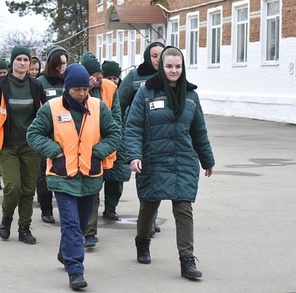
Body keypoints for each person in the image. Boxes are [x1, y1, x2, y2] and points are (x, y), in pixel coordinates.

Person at [26, 63, 121, 290]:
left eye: (85, 89)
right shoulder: (52, 108)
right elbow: (33, 133)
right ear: (67, 88)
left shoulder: (98, 107)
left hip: (89, 175)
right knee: (69, 223)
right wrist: (54, 152)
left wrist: (98, 153)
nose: (81, 93)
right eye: (76, 89)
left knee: (78, 224)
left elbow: (115, 133)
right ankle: (76, 270)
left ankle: (65, 252)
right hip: (62, 174)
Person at [124, 46, 215, 279]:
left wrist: (207, 160)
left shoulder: (191, 96)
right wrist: (134, 155)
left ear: (182, 68)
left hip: (183, 160)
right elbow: (133, 127)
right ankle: (142, 242)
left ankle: (187, 261)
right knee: (149, 207)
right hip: (153, 160)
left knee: (184, 209)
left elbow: (199, 131)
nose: (173, 70)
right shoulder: (146, 93)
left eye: (178, 66)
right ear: (161, 67)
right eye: (169, 66)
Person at [0, 45, 47, 245]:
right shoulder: (0, 85)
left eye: (26, 60)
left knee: (28, 189)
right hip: (7, 145)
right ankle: (7, 218)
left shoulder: (36, 86)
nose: (22, 63)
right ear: (12, 62)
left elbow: (45, 116)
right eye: (19, 59)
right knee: (13, 186)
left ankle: (24, 228)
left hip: (31, 146)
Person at [118, 41, 165, 236]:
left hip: (161, 136)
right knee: (145, 178)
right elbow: (119, 103)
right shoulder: (134, 77)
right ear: (147, 56)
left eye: (161, 56)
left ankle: (151, 218)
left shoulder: (169, 76)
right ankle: (148, 218)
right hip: (140, 136)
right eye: (154, 55)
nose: (157, 59)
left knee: (159, 178)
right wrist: (120, 130)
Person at [79, 51, 124, 248]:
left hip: (103, 147)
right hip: (82, 147)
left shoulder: (111, 88)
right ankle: (88, 232)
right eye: (92, 77)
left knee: (99, 187)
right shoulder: (77, 88)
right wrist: (86, 90)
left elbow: (116, 120)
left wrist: (105, 146)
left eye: (98, 76)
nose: (96, 80)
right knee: (91, 191)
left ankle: (90, 230)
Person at [35, 45, 69, 223]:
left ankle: (65, 209)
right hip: (46, 136)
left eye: (65, 63)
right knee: (44, 174)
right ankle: (46, 208)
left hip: (66, 135)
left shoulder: (69, 81)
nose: (62, 67)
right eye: (59, 63)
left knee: (64, 173)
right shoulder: (40, 82)